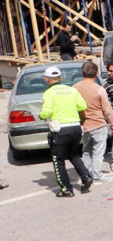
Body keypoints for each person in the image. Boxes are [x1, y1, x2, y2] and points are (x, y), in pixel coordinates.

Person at [40, 66, 93, 197]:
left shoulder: (49, 93)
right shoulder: (72, 90)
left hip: (60, 129)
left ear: (47, 79)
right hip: (75, 128)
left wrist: (41, 115)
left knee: (58, 159)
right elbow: (83, 106)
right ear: (61, 78)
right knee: (74, 155)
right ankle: (86, 176)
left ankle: (66, 189)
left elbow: (46, 111)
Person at [73, 62, 113, 183]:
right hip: (98, 124)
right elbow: (107, 109)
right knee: (98, 151)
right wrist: (112, 123)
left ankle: (86, 174)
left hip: (83, 124)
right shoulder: (99, 89)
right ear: (96, 73)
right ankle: (97, 174)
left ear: (82, 73)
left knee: (86, 151)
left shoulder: (75, 88)